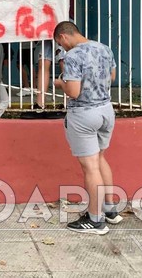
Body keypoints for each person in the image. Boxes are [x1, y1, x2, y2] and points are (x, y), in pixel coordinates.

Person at [53, 21, 121, 234]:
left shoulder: (72, 56)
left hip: (84, 114)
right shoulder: (104, 48)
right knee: (100, 159)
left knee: (90, 167)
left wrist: (60, 83)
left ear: (64, 37)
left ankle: (95, 220)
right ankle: (110, 209)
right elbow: (112, 77)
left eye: (60, 44)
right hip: (106, 110)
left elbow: (73, 91)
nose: (62, 48)